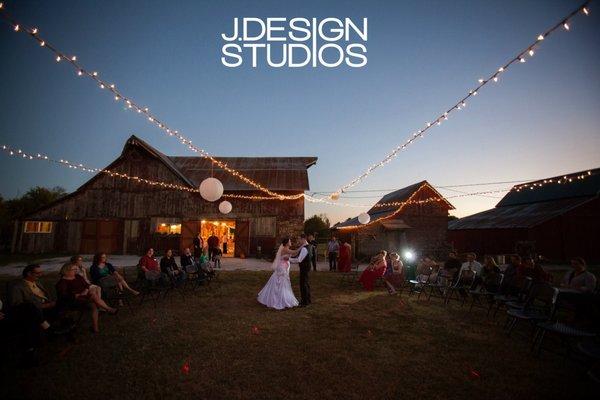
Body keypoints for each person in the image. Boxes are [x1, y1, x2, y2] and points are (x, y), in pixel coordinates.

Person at [56, 262, 117, 333]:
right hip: (74, 301)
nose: (76, 271)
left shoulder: (78, 277)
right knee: (94, 296)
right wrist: (77, 295)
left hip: (85, 296)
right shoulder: (62, 282)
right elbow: (63, 296)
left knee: (94, 305)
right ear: (67, 270)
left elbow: (87, 285)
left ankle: (95, 328)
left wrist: (86, 290)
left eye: (76, 269)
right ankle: (108, 309)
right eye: (74, 269)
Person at [257, 237, 300, 310]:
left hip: (284, 267)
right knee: (281, 282)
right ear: (286, 243)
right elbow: (294, 252)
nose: (291, 242)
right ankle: (279, 298)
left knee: (281, 281)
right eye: (290, 241)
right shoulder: (285, 249)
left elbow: (293, 254)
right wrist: (302, 246)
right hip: (282, 267)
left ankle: (281, 296)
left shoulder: (286, 249)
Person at [290, 234, 314, 307]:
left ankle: (304, 302)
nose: (298, 241)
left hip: (304, 268)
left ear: (303, 239)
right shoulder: (309, 246)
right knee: (306, 283)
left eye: (299, 239)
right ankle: (308, 300)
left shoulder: (304, 248)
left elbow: (299, 260)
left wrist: (289, 259)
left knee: (303, 284)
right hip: (307, 267)